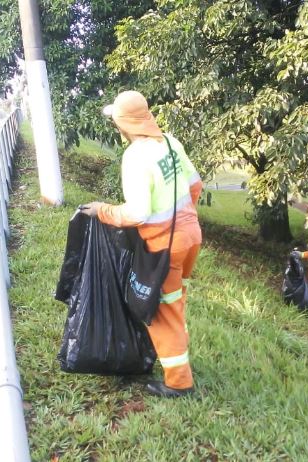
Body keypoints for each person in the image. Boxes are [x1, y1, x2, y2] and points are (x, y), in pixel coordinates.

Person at [81, 90, 203, 398]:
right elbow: (195, 185)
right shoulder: (171, 142)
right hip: (191, 236)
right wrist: (185, 218)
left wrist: (102, 211)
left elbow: (138, 213)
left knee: (163, 313)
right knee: (175, 300)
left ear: (123, 124)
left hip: (164, 248)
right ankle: (179, 352)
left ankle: (178, 382)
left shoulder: (135, 156)